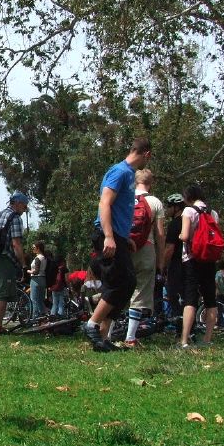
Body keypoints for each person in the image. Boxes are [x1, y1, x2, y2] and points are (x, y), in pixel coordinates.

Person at [81, 137, 152, 353]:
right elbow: (105, 203)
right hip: (107, 235)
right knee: (118, 283)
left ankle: (102, 339)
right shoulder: (119, 171)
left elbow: (120, 209)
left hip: (118, 236)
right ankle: (92, 324)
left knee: (127, 283)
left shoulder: (129, 174)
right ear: (146, 154)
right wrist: (109, 236)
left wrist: (124, 236)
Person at [118, 167, 165, 349]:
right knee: (141, 291)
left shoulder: (125, 198)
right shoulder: (155, 202)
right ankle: (130, 337)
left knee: (119, 289)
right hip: (146, 248)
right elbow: (160, 234)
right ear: (150, 183)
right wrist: (161, 261)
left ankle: (106, 332)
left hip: (125, 247)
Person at [178, 184, 220, 348]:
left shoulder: (188, 211)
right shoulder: (213, 213)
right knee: (210, 300)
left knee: (190, 298)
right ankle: (207, 339)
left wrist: (180, 235)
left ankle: (184, 340)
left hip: (192, 258)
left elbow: (185, 236)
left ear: (188, 197)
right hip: (209, 259)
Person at [0, 192, 28, 333]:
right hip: (6, 259)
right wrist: (23, 264)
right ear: (17, 203)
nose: (25, 210)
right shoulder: (15, 218)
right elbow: (16, 244)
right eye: (24, 206)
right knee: (2, 293)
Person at [162, 193, 186, 321]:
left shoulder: (175, 224)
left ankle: (179, 322)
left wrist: (163, 266)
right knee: (187, 296)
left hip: (176, 264)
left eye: (169, 206)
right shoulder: (188, 222)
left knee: (173, 294)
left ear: (176, 208)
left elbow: (169, 248)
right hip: (189, 264)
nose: (167, 209)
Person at [28, 240, 48, 319]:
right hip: (43, 279)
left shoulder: (38, 258)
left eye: (34, 247)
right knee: (40, 300)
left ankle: (35, 317)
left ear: (38, 248)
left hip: (35, 279)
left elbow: (36, 271)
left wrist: (29, 271)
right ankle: (43, 316)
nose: (32, 249)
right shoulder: (44, 257)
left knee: (34, 299)